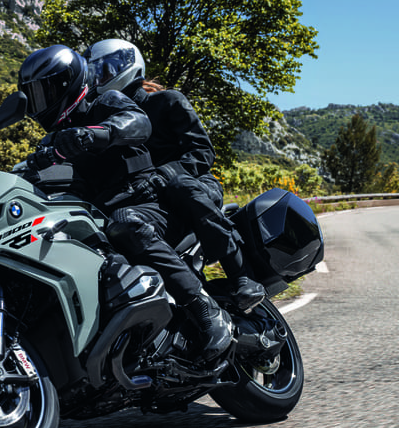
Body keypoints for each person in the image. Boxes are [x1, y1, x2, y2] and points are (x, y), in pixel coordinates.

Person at [17, 44, 232, 362]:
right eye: (34, 95)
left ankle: (207, 310)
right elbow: (32, 173)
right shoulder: (55, 139)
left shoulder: (105, 102)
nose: (42, 102)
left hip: (149, 204)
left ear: (67, 83)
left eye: (46, 90)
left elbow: (137, 122)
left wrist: (97, 134)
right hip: (103, 218)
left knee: (125, 223)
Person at [84, 39, 266, 311]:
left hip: (196, 188)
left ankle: (242, 275)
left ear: (128, 66)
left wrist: (163, 174)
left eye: (108, 70)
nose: (102, 77)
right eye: (97, 73)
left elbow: (203, 153)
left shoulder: (167, 101)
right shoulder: (106, 124)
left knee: (178, 184)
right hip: (153, 204)